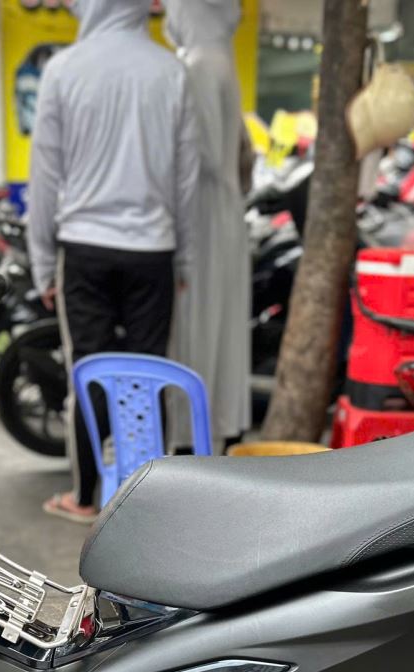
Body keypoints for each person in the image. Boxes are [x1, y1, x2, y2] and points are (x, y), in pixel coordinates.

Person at [27, 0, 200, 523]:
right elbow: (186, 180)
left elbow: (45, 178)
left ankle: (85, 496)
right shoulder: (172, 72)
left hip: (84, 248)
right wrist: (184, 259)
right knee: (149, 369)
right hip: (154, 250)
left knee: (88, 371)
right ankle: (148, 499)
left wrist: (42, 263)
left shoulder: (63, 70)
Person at [165, 0, 252, 453]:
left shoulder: (196, 65)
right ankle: (211, 430)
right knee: (218, 326)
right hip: (224, 215)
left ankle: (190, 431)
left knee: (196, 326)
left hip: (199, 215)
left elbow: (200, 156)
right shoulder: (222, 59)